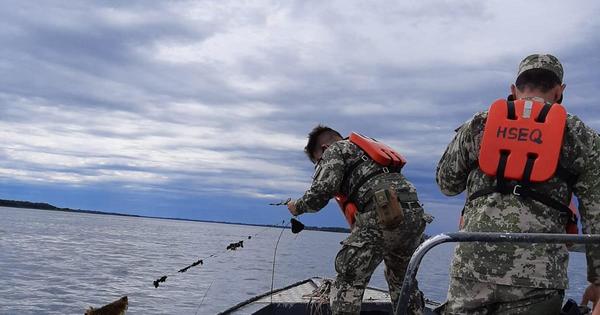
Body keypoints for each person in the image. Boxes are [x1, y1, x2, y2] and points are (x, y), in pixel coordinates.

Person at [436, 54, 600, 314]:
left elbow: (446, 184)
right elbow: (595, 214)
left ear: (513, 90)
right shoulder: (582, 138)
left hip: (472, 268)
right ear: (559, 91)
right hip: (539, 277)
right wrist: (597, 279)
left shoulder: (479, 123)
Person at [287, 125, 431, 315]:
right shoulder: (367, 152)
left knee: (348, 277)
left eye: (318, 162)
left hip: (383, 214)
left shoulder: (336, 149)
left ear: (324, 148)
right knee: (402, 280)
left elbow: (323, 190)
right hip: (414, 216)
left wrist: (297, 206)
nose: (320, 165)